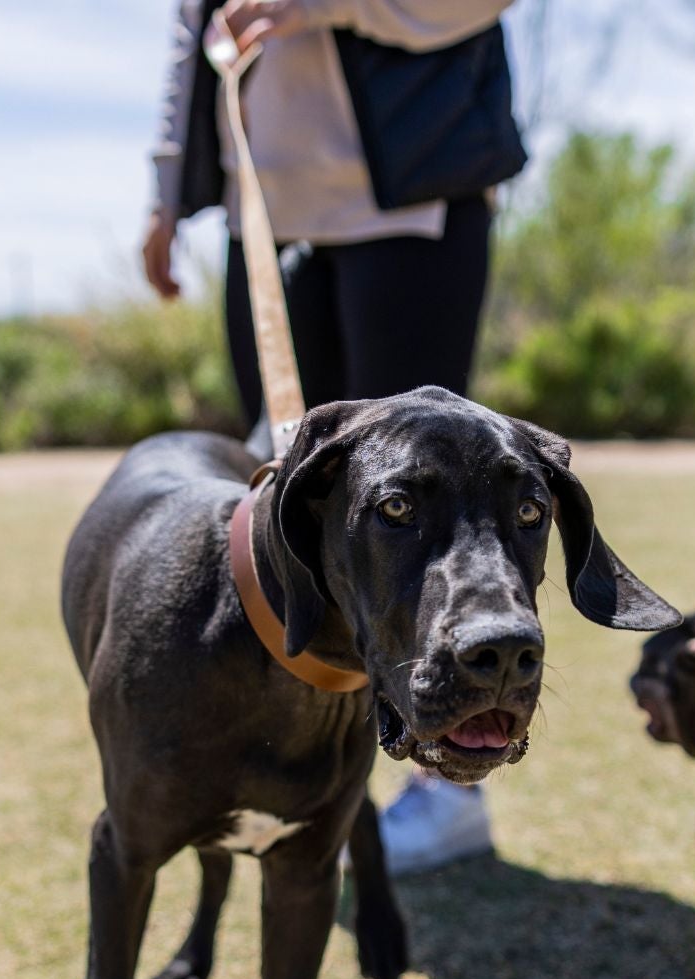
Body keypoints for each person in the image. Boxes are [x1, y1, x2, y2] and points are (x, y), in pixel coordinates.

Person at [142, 0, 527, 875]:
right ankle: (316, 776)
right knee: (292, 497)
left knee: (428, 507)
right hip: (264, 211)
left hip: (409, 204)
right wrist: (167, 190)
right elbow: (188, 39)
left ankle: (450, 787)